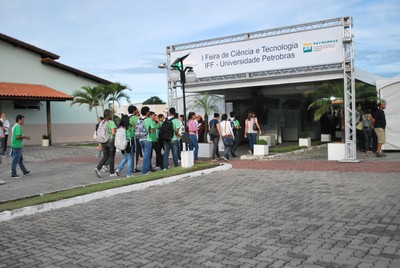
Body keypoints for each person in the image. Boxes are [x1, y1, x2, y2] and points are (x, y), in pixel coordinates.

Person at [95, 109, 117, 177]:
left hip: (103, 141)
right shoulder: (111, 122)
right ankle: (112, 173)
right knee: (111, 157)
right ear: (110, 114)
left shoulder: (102, 122)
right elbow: (113, 133)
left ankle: (98, 168)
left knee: (105, 156)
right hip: (110, 141)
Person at [11, 114, 31, 178]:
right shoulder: (17, 127)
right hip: (17, 146)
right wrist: (26, 137)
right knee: (16, 160)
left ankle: (24, 171)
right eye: (23, 119)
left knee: (20, 160)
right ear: (19, 120)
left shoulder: (16, 126)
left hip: (17, 146)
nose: (24, 121)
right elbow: (18, 136)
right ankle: (13, 173)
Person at [138, 106, 154, 175]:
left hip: (141, 139)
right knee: (147, 156)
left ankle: (148, 168)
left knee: (145, 155)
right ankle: (145, 171)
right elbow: (153, 129)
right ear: (147, 112)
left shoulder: (139, 119)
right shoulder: (149, 120)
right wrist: (150, 130)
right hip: (147, 139)